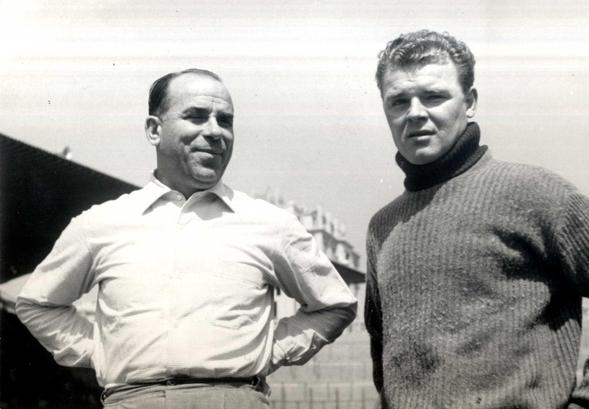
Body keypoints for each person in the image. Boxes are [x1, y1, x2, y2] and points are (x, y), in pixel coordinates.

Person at [16, 68, 357, 409]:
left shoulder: (270, 224)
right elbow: (37, 304)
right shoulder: (99, 224)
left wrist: (270, 349)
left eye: (225, 121)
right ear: (154, 129)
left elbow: (335, 304)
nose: (215, 131)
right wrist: (103, 351)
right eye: (196, 116)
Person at [365, 30, 589, 409]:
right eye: (399, 101)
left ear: (470, 102)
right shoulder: (382, 227)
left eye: (434, 96)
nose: (415, 113)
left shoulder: (532, 191)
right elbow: (383, 352)